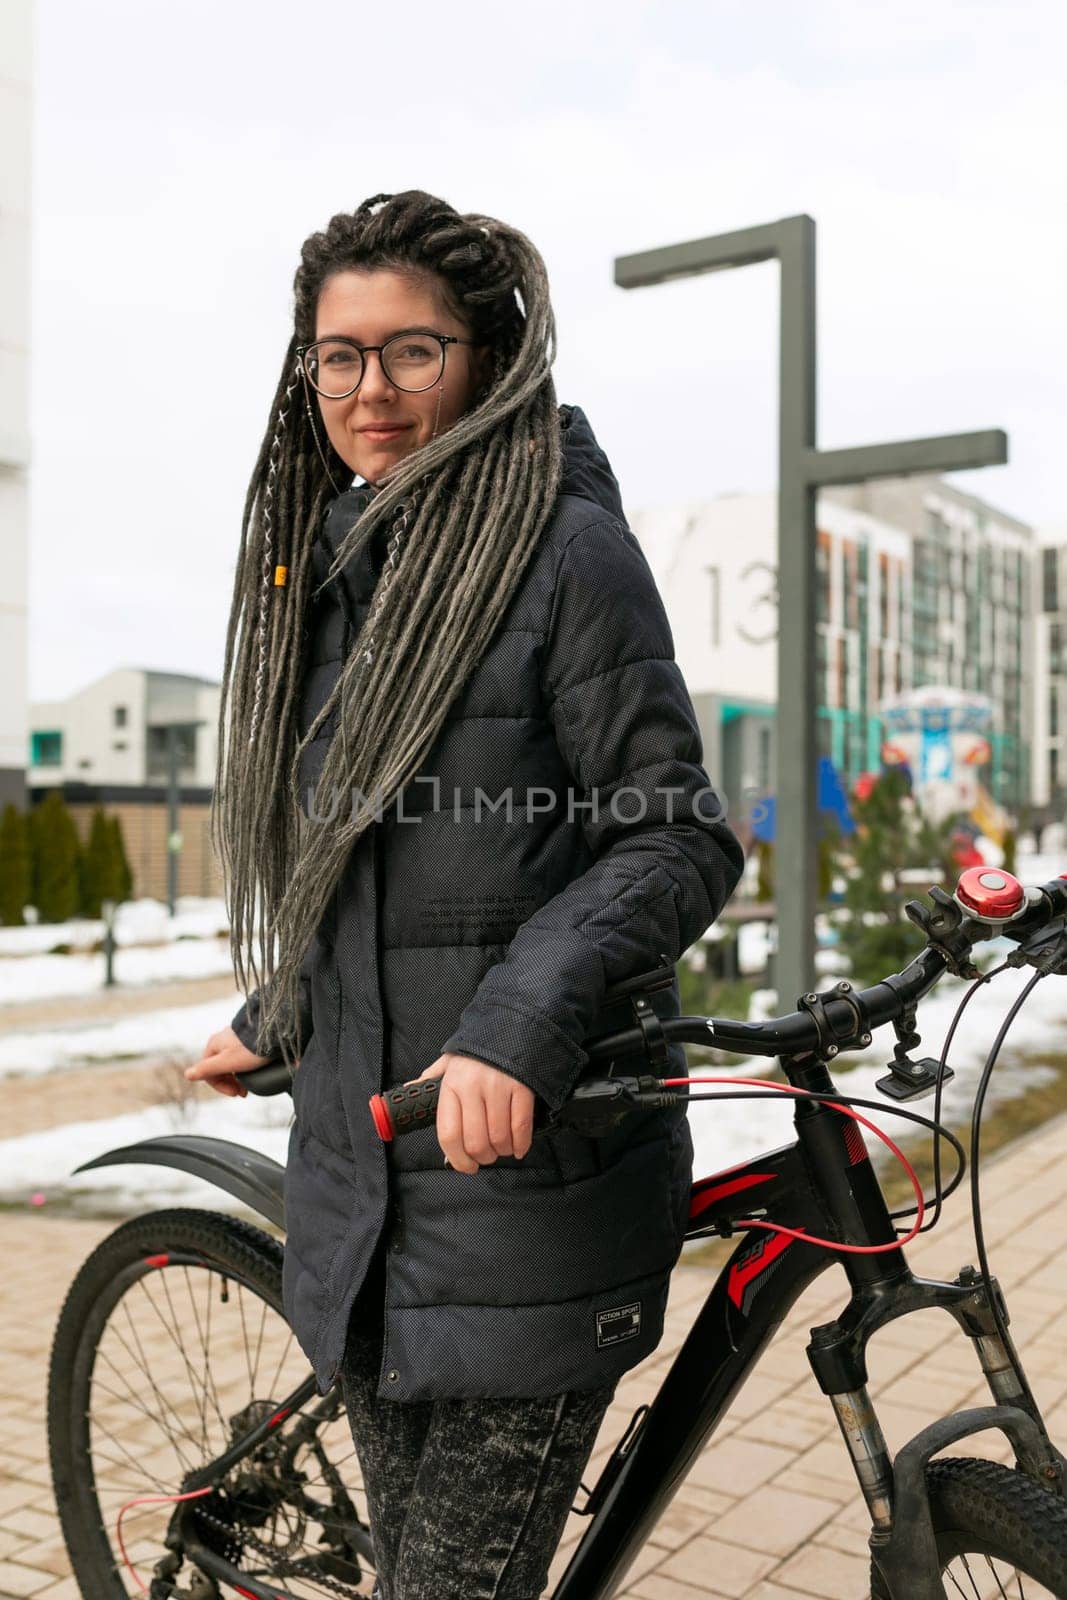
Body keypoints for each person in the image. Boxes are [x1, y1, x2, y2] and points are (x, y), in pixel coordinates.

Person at [188, 190, 745, 1600]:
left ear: (485, 362)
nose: (371, 391)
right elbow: (374, 874)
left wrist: (518, 1019)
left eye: (413, 352)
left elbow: (672, 839)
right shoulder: (336, 576)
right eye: (340, 356)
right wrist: (290, 1001)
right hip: (363, 1195)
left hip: (526, 1198)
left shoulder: (566, 556)